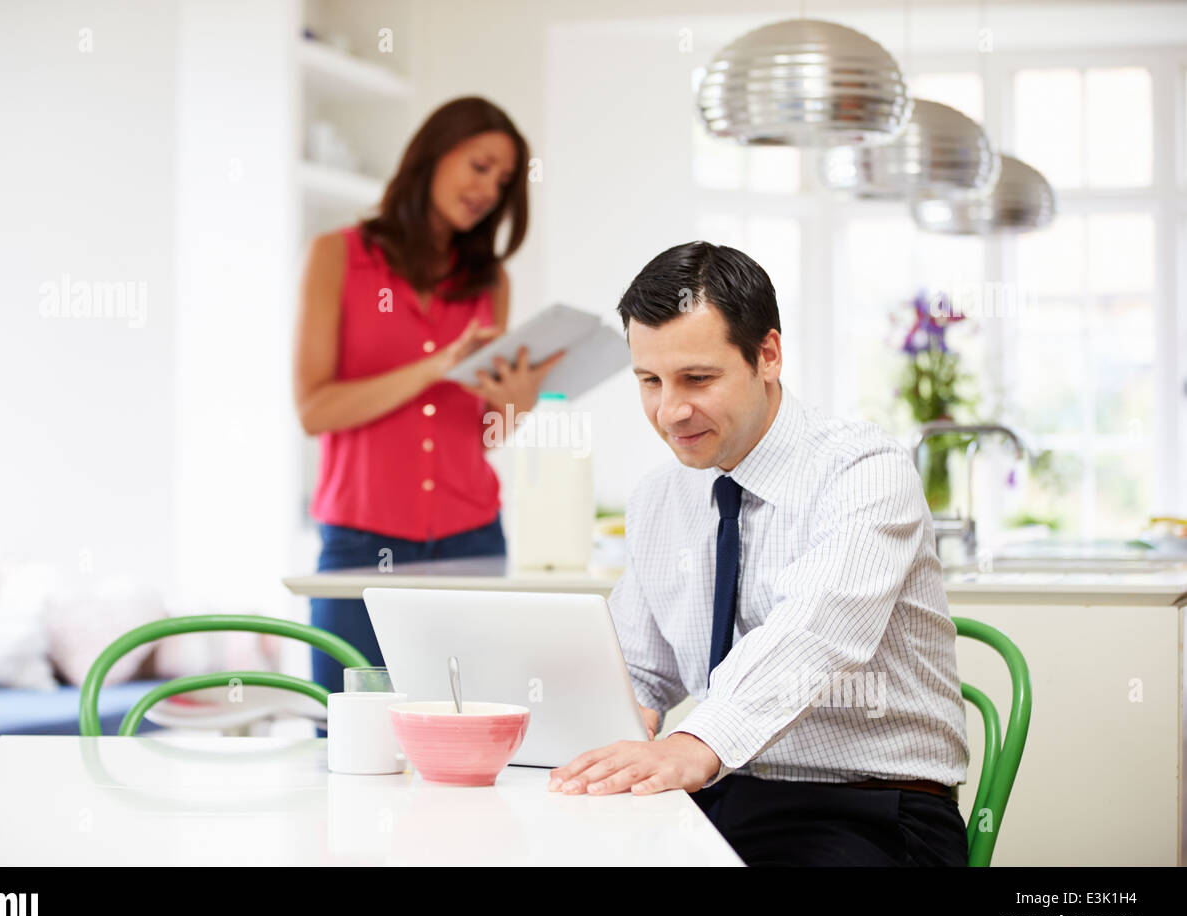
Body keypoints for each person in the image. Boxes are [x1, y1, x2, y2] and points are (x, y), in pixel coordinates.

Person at [547, 241, 971, 866]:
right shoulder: (660, 498)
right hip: (729, 796)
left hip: (874, 808)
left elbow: (815, 633)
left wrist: (695, 741)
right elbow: (639, 667)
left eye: (697, 378)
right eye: (650, 381)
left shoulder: (863, 470)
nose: (670, 411)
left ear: (767, 355)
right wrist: (609, 709)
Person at [292, 96, 562, 702]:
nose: (490, 188)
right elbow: (314, 409)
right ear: (433, 155)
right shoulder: (336, 257)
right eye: (480, 165)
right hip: (361, 541)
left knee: (477, 726)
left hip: (473, 537)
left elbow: (483, 432)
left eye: (504, 180)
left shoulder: (489, 281)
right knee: (351, 729)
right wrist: (435, 367)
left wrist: (517, 403)